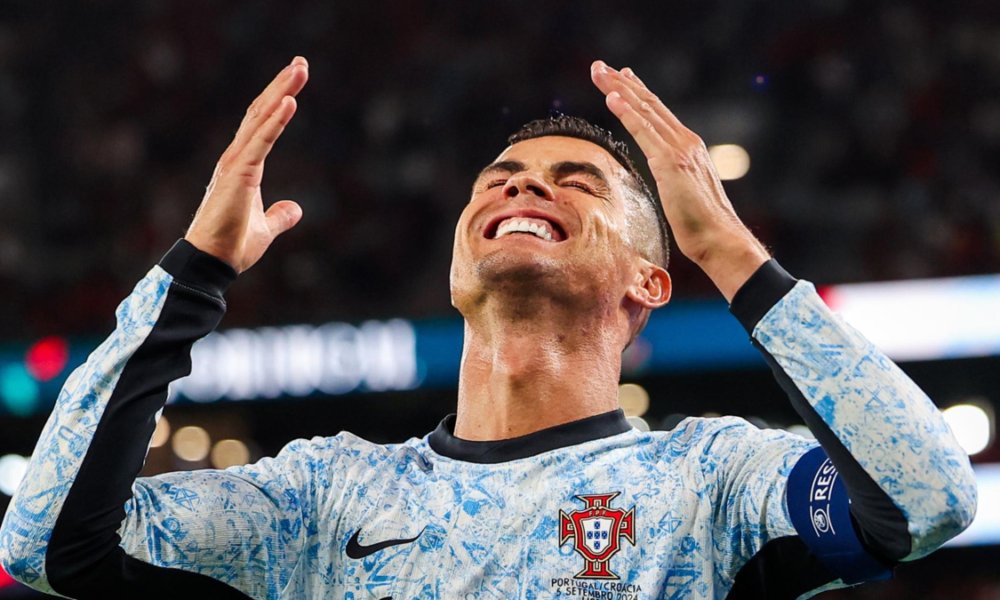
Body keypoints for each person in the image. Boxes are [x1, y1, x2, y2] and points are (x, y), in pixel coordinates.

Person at [0, 56, 977, 599]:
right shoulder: (317, 500)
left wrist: (729, 252)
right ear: (459, 263)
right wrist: (192, 276)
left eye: (574, 181)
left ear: (649, 280)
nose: (521, 188)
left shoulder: (713, 482)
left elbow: (927, 495)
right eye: (499, 180)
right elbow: (46, 547)